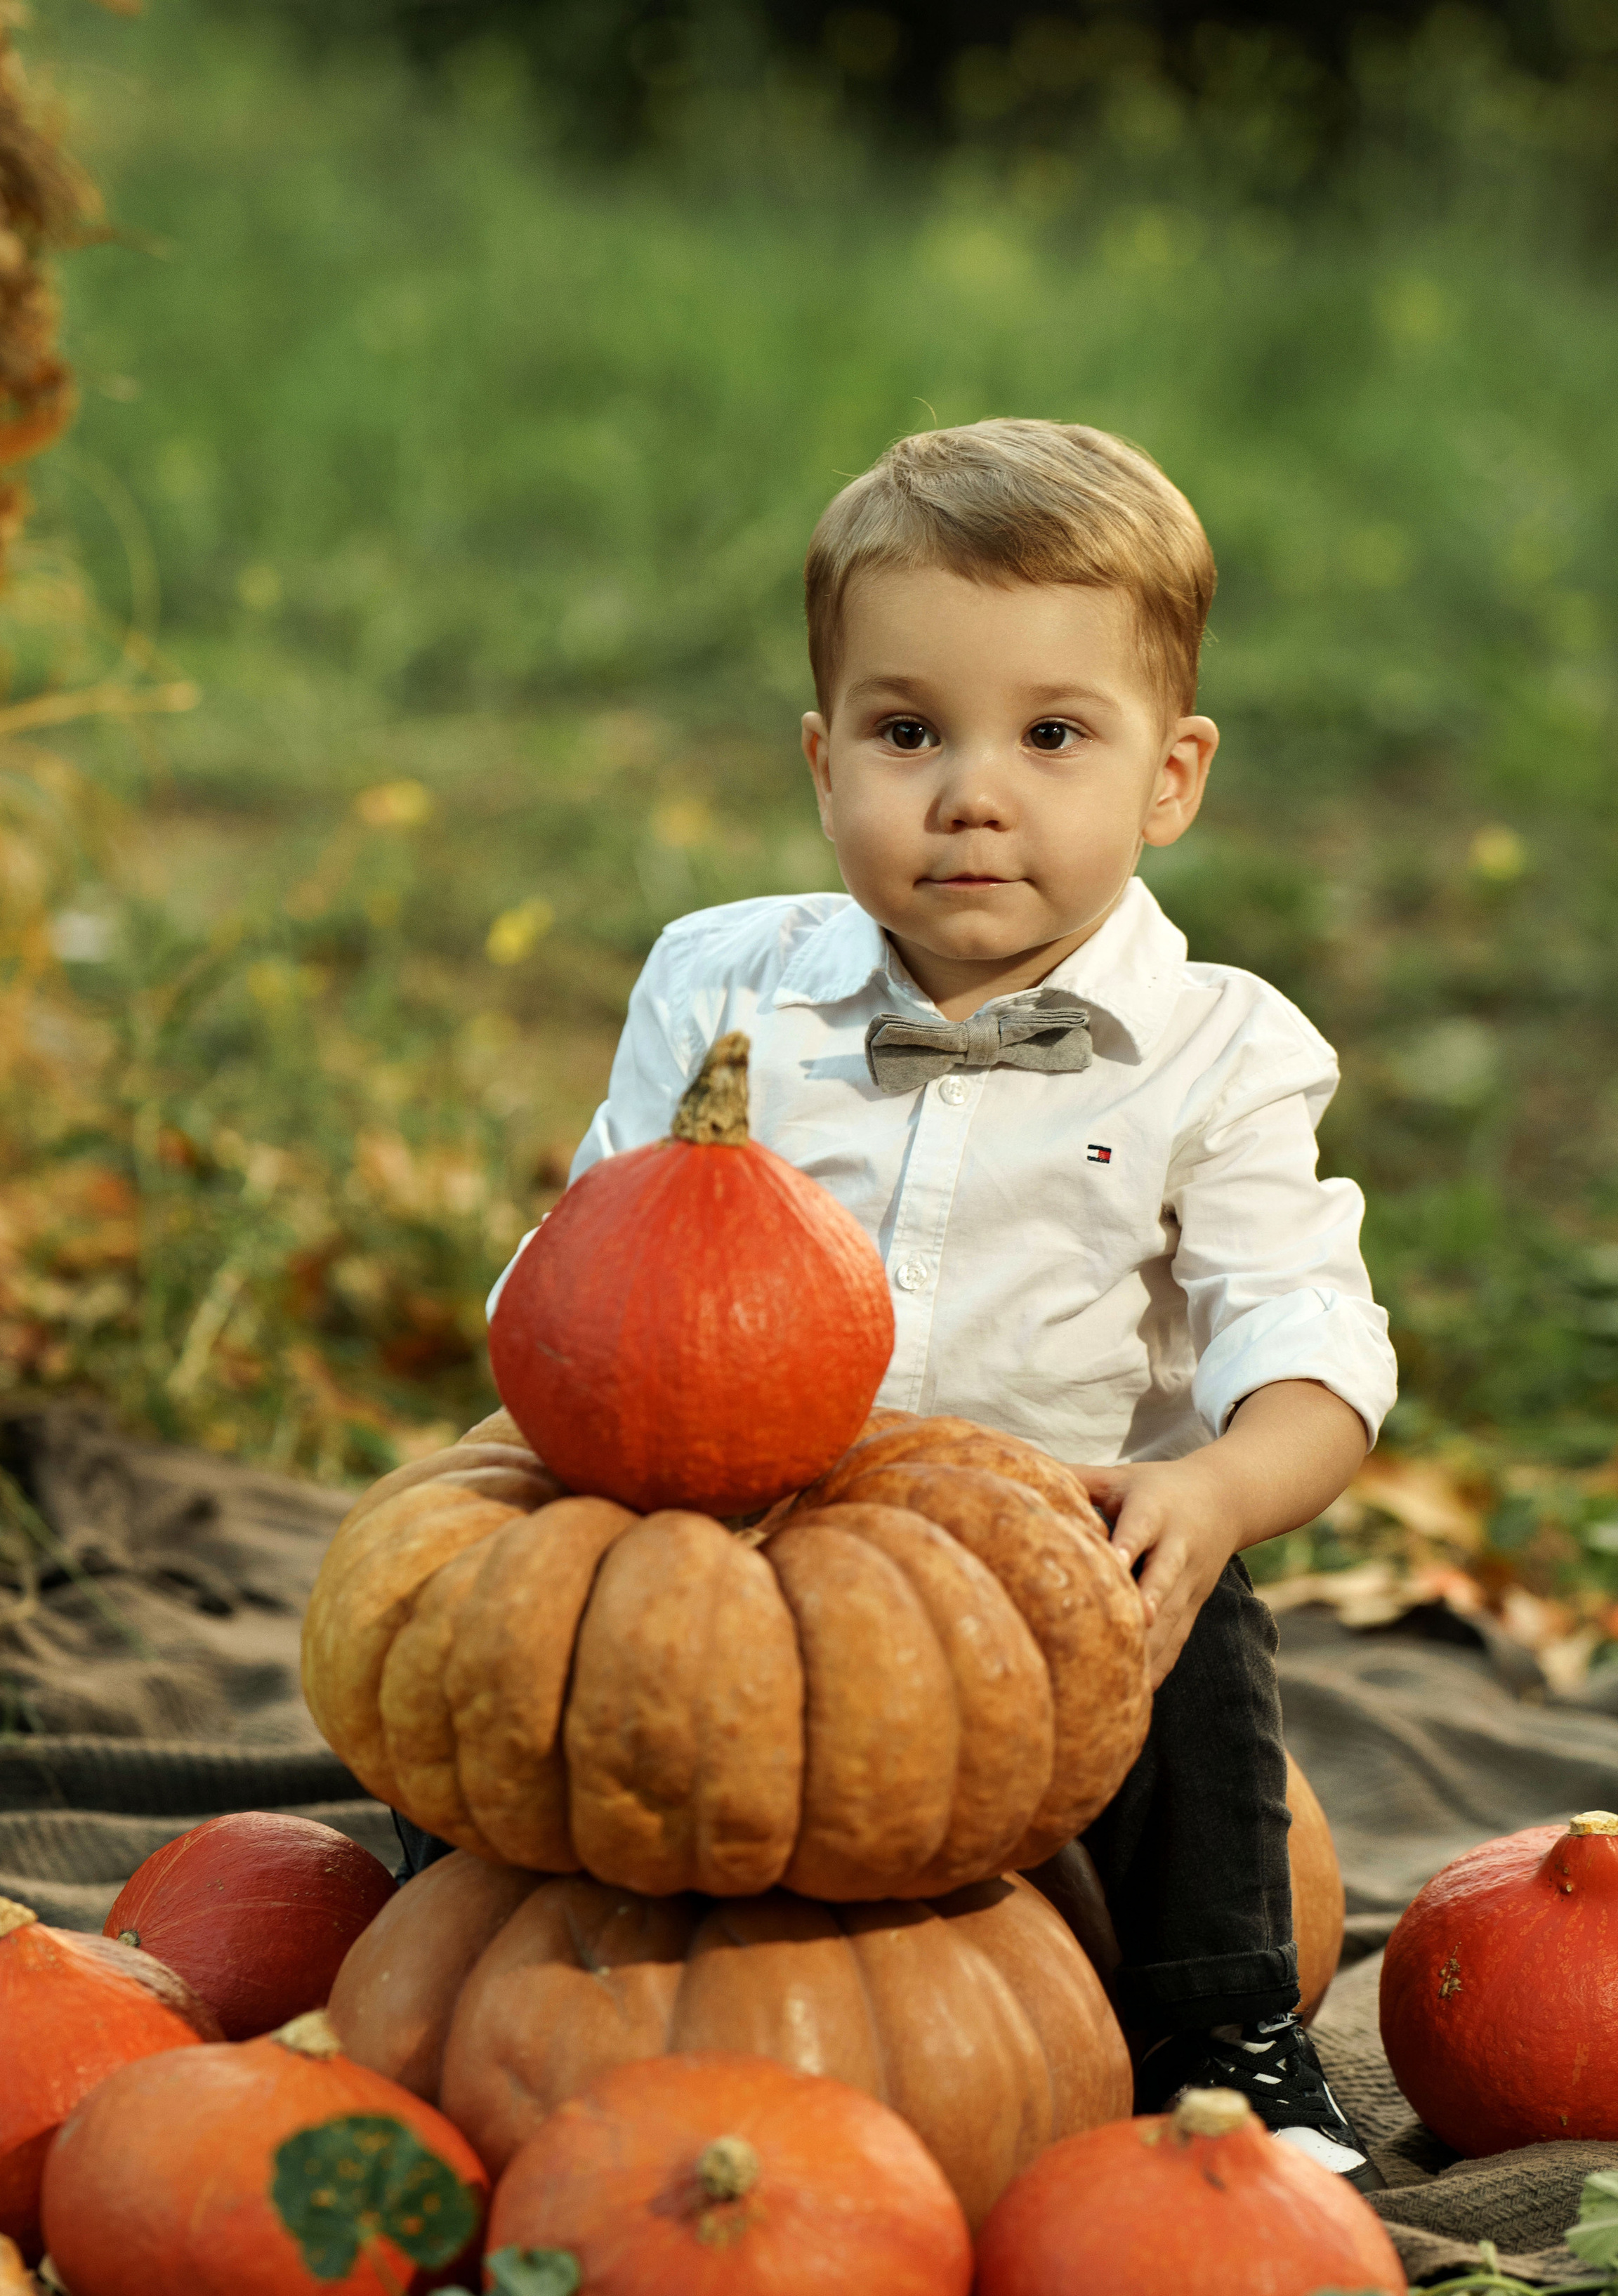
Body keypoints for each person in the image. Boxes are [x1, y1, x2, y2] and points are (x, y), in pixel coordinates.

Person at [474, 417, 1396, 2189]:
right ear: (823, 763)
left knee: (1201, 1641)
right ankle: (455, 1912)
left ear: (1170, 779)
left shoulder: (1223, 1053)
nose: (972, 791)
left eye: (1052, 736)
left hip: (1050, 1564)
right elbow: (589, 1244)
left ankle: (1221, 2031)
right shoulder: (719, 985)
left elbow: (1301, 1333)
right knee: (502, 1609)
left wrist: (1209, 1494)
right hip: (726, 1530)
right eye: (908, 734)